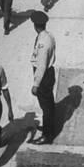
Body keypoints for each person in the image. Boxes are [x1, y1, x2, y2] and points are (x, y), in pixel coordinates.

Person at [29, 10, 56, 145]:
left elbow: (41, 66)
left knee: (46, 107)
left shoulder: (43, 43)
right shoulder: (48, 36)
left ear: (35, 25)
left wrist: (36, 84)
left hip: (44, 76)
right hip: (49, 73)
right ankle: (49, 126)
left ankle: (47, 135)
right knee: (49, 104)